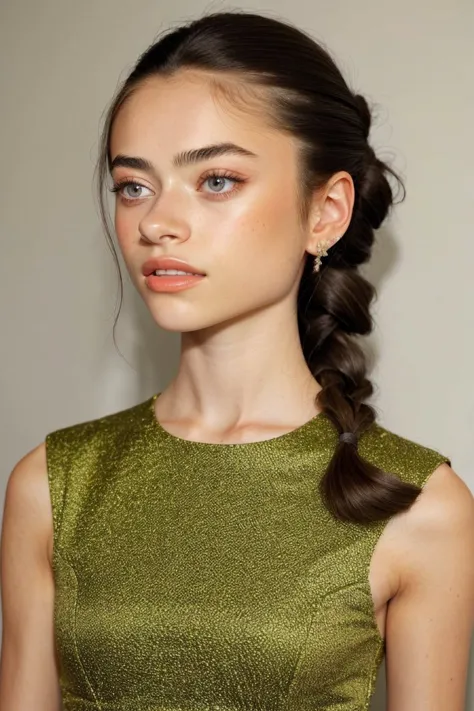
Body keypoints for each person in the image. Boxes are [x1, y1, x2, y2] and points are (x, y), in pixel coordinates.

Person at [1, 9, 473, 711]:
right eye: (134, 184)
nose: (156, 221)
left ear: (327, 212)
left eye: (216, 180)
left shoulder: (419, 507)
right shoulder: (53, 484)